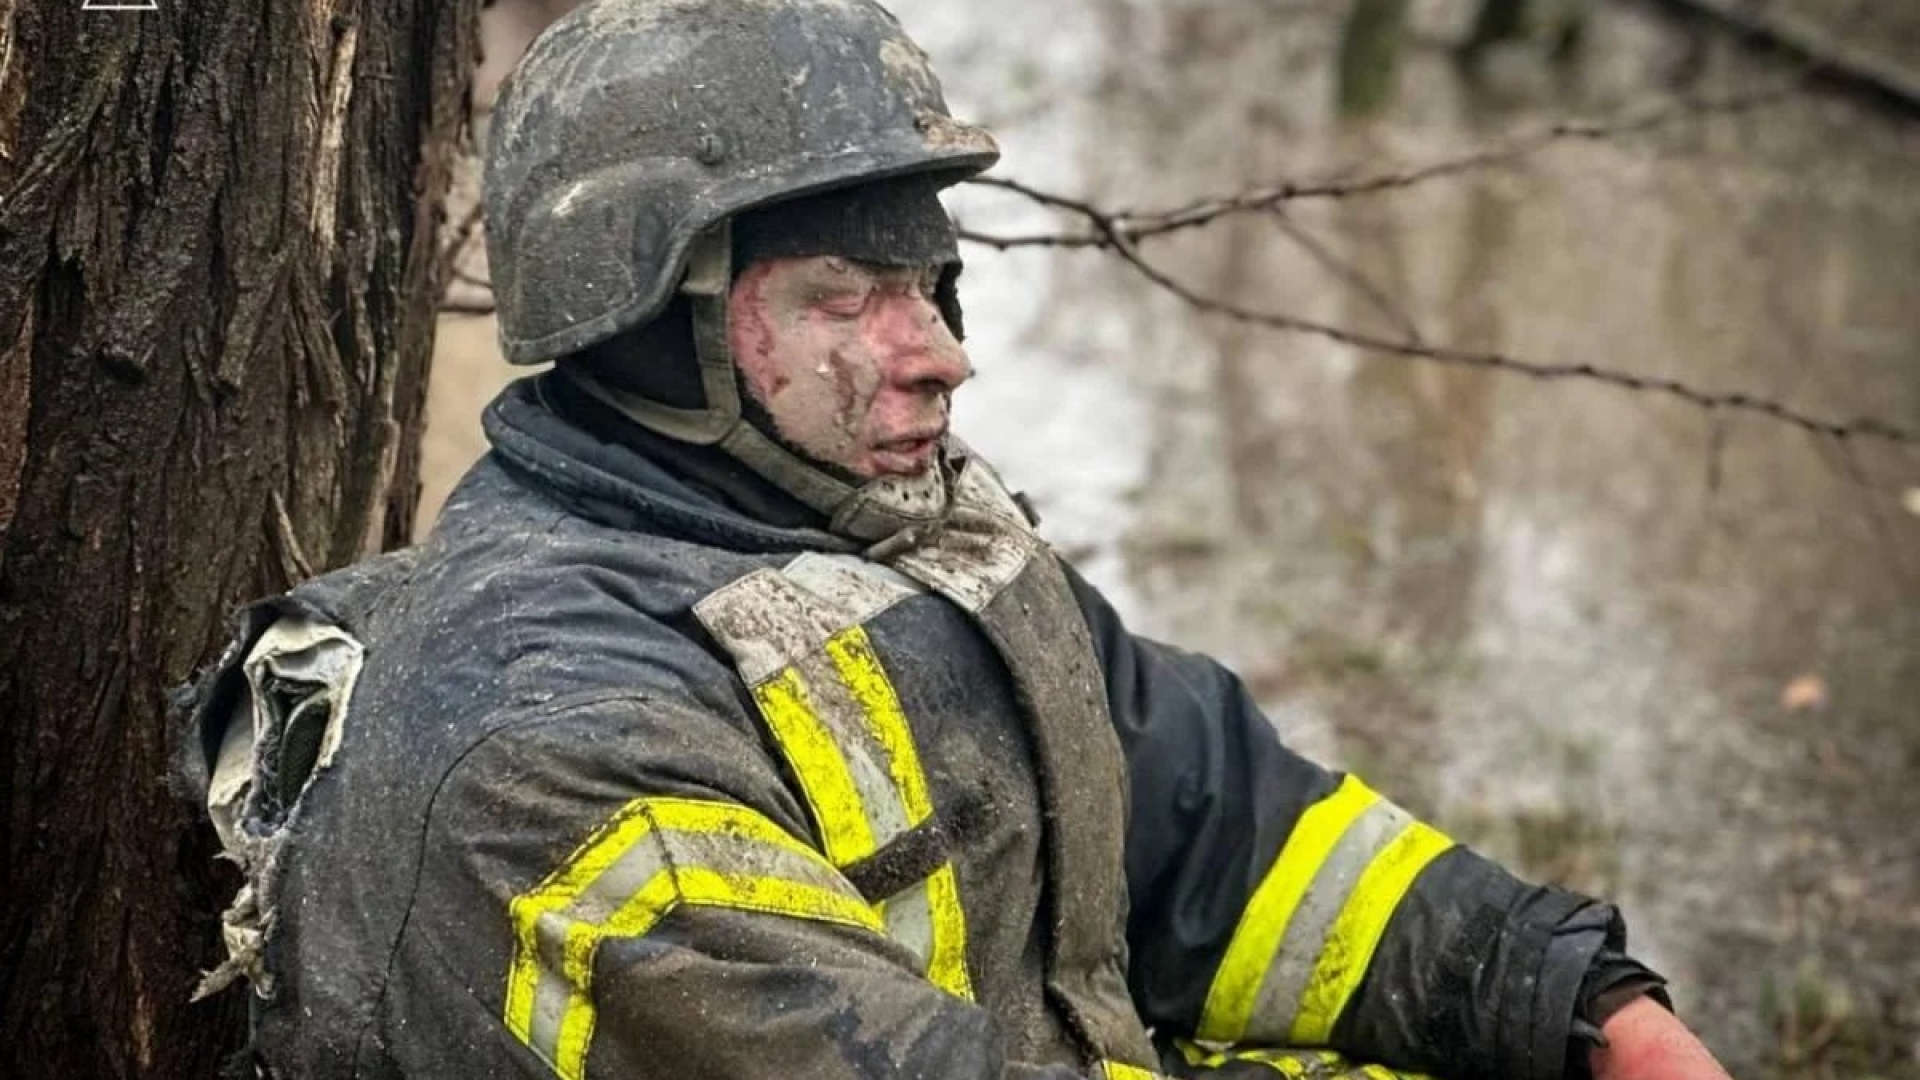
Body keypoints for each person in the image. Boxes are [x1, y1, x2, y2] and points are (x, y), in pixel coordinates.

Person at [178, 2, 1736, 1079]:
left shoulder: (902, 534)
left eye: (932, 286)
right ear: (658, 331)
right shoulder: (544, 746)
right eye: (847, 298)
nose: (940, 356)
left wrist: (1581, 1004)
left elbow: (1224, 838)